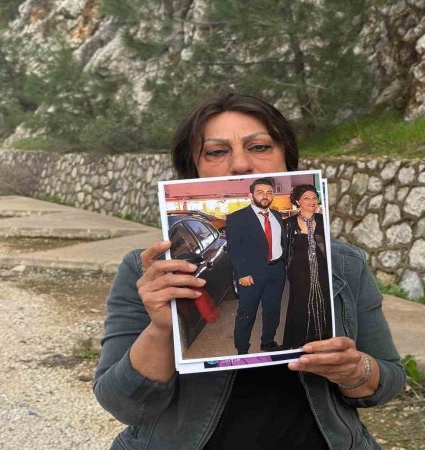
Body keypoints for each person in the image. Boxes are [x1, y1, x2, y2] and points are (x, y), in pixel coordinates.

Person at [93, 93, 406, 449]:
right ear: (192, 169)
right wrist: (163, 328)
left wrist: (356, 370)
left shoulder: (343, 263)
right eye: (216, 152)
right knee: (246, 316)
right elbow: (122, 404)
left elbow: (387, 381)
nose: (241, 164)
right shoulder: (145, 272)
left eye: (259, 147)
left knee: (271, 316)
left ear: (287, 160)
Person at [225, 177, 286, 354]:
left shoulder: (276, 216)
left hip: (276, 270)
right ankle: (242, 349)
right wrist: (242, 273)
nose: (265, 196)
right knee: (247, 311)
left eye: (269, 192)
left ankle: (268, 342)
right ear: (251, 195)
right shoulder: (237, 218)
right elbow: (234, 249)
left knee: (272, 309)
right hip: (251, 273)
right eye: (260, 192)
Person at [282, 184, 332, 350]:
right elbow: (284, 249)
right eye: (306, 198)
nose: (312, 201)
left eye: (314, 197)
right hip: (299, 273)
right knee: (301, 305)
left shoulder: (324, 221)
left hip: (323, 270)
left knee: (324, 302)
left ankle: (325, 339)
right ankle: (301, 343)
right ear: (298, 201)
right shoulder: (288, 224)